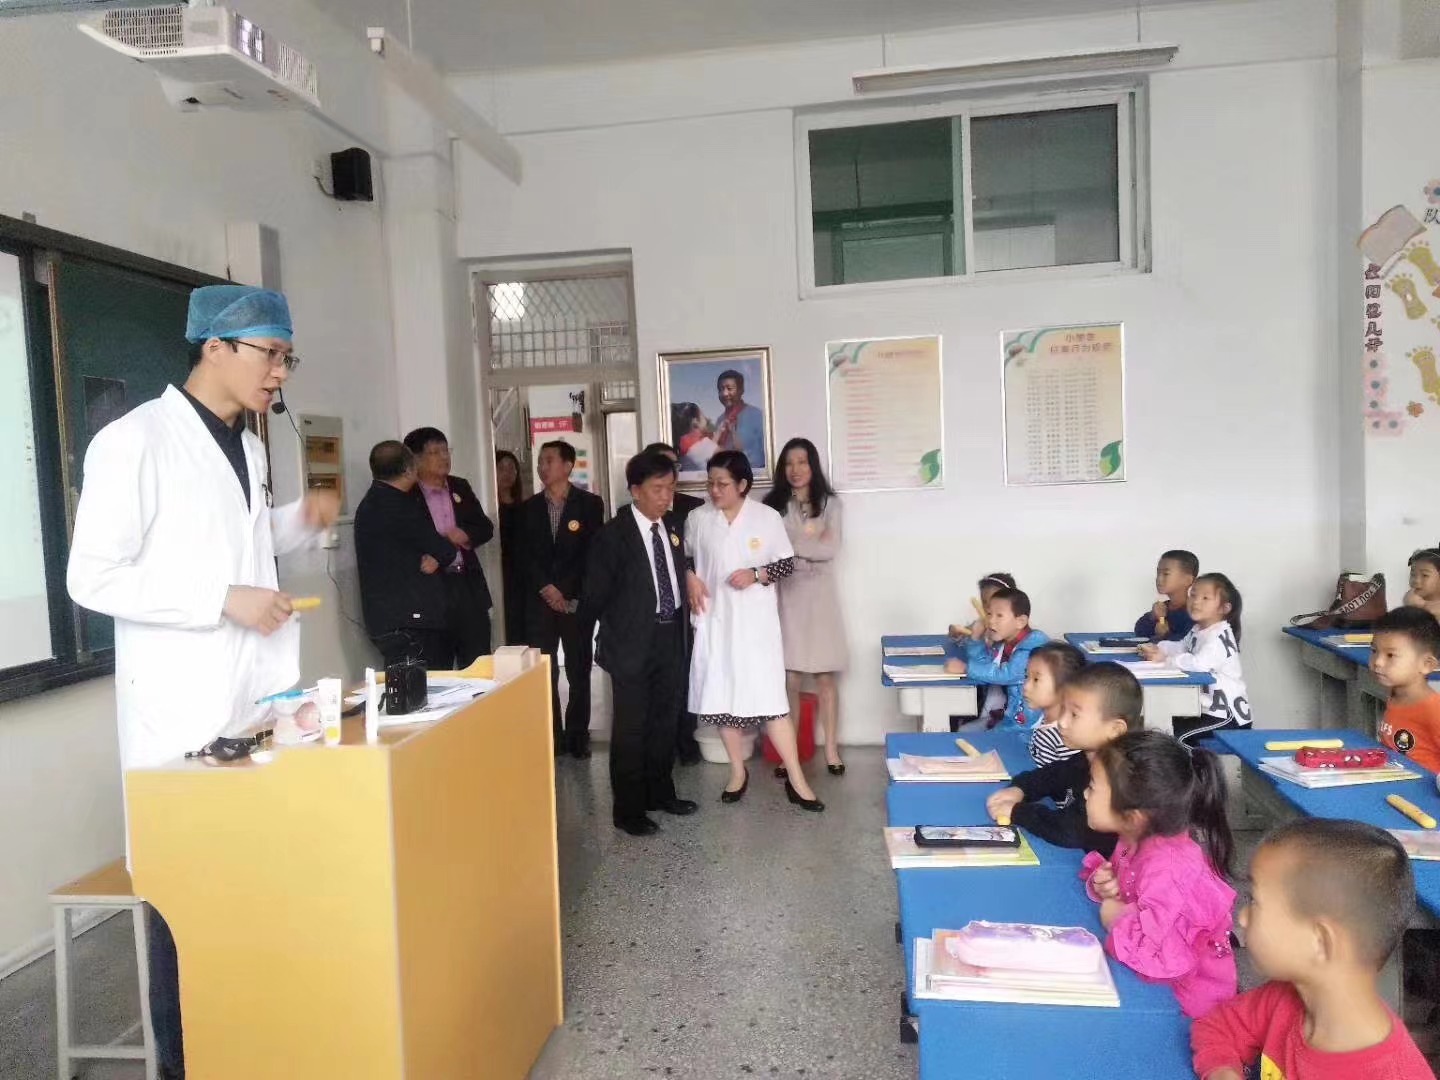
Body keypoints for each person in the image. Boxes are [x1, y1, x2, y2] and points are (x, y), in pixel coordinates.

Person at [67, 283, 339, 1080]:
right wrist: (220, 599)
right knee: (184, 918)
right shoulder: (134, 442)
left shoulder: (246, 448)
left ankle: (247, 1055)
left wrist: (296, 521)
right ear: (214, 347)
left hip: (252, 708)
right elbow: (92, 577)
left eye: (287, 358)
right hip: (180, 720)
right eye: (271, 354)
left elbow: (231, 539)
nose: (280, 373)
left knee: (248, 907)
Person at [1191, 820, 1431, 1079]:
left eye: (1255, 901)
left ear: (1320, 941)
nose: (1242, 917)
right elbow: (1217, 1027)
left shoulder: (1395, 1074)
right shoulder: (1281, 999)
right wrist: (1222, 1072)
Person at [685, 450, 822, 811]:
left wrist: (756, 574)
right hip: (716, 621)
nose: (714, 490)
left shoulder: (765, 517)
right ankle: (737, 772)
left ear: (743, 485)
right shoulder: (698, 518)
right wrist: (690, 577)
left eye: (722, 484)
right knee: (722, 700)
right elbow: (687, 557)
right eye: (710, 483)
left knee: (772, 703)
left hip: (755, 626)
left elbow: (786, 563)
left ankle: (797, 779)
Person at [1081, 729, 1237, 1020]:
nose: (1085, 794)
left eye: (1092, 787)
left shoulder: (1169, 869)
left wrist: (1117, 917)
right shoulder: (1136, 838)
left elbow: (1162, 954)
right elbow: (1129, 887)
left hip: (1187, 1006)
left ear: (1134, 816)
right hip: (1152, 980)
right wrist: (1106, 883)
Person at [582, 450, 698, 835]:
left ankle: (660, 793)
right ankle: (628, 810)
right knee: (631, 728)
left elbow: (678, 571)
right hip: (630, 644)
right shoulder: (612, 536)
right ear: (635, 490)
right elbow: (595, 597)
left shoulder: (673, 526)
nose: (666, 497)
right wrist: (606, 641)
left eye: (670, 488)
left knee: (665, 720)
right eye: (658, 489)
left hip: (670, 637)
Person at [985, 662, 1141, 855]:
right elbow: (1052, 776)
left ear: (1115, 730)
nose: (1062, 722)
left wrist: (1017, 812)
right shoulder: (1087, 757)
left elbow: (1072, 830)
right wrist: (1020, 789)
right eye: (1063, 710)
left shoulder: (1118, 780)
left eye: (1074, 714)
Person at [764, 437, 849, 775]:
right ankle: (791, 754)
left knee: (826, 677)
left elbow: (830, 549)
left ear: (812, 465)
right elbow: (772, 552)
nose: (795, 469)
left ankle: (832, 751)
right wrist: (809, 543)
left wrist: (794, 546)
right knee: (791, 679)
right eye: (789, 463)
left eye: (802, 462)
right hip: (789, 596)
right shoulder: (772, 506)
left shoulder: (831, 504)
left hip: (822, 599)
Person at [519, 439, 605, 758]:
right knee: (545, 672)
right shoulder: (529, 508)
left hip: (575, 601)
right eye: (540, 461)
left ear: (568, 466)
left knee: (579, 670)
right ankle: (552, 738)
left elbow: (592, 554)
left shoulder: (590, 504)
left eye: (549, 460)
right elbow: (524, 556)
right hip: (540, 602)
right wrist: (547, 587)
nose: (542, 467)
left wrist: (565, 591)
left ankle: (578, 738)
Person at [354, 441, 460, 670]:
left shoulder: (370, 502)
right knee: (423, 686)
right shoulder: (399, 505)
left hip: (385, 620)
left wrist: (436, 555)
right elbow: (445, 550)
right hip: (413, 621)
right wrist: (440, 553)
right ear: (408, 469)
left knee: (405, 683)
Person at [402, 426, 495, 667]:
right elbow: (405, 540)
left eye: (446, 450)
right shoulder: (407, 495)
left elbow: (485, 527)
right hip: (431, 589)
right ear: (415, 460)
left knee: (478, 663)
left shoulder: (459, 486)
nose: (444, 457)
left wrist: (464, 534)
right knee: (436, 666)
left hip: (467, 587)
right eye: (435, 452)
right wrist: (443, 547)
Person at [639, 441, 705, 765]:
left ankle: (686, 742)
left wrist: (690, 574)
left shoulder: (694, 508)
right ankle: (657, 749)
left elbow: (697, 554)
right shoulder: (632, 514)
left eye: (674, 468)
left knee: (685, 676)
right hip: (647, 619)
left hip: (685, 609)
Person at [1139, 571, 1251, 743]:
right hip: (1205, 711)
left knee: (1175, 740)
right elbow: (1180, 647)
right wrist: (1158, 648)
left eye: (1205, 598)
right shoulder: (1198, 630)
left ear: (1224, 608)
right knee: (1159, 728)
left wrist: (1166, 660)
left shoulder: (1219, 636)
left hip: (1226, 715)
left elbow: (1199, 664)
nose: (1196, 601)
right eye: (1193, 595)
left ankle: (1197, 762)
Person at [945, 587, 1050, 729]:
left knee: (969, 733)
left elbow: (1007, 675)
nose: (990, 621)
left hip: (1030, 726)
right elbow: (986, 665)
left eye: (999, 615)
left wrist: (966, 668)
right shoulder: (1004, 643)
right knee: (965, 730)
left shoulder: (1033, 647)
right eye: (989, 614)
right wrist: (976, 639)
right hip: (1010, 718)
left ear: (1020, 621)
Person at [1370, 605, 1440, 773]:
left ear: (1426, 664)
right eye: (1374, 651)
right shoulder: (1395, 695)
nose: (1378, 662)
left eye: (1390, 655)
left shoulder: (1434, 710)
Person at [1021, 641, 1088, 767]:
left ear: (1065, 688)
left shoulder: (1066, 736)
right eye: (1026, 676)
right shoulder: (1046, 718)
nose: (1025, 686)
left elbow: (1072, 776)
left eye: (1036, 680)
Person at [496, 449, 526, 646]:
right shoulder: (487, 507)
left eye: (512, 469)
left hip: (521, 577)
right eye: (501, 468)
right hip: (498, 573)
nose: (507, 473)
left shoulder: (525, 508)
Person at [1136, 549, 1199, 641]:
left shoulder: (1195, 612)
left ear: (1188, 580)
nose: (1159, 578)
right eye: (1158, 573)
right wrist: (1152, 616)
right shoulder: (1163, 608)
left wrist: (1165, 635)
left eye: (1166, 574)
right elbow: (1139, 631)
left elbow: (1188, 642)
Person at [711, 369, 766, 470]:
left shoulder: (757, 415)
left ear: (741, 390)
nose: (725, 393)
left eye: (729, 388)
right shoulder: (720, 420)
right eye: (721, 389)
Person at [675, 402, 719, 474]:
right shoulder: (705, 447)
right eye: (703, 416)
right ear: (695, 421)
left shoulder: (680, 444)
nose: (707, 418)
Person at [1405, 543, 1440, 619]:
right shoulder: (1411, 599)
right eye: (1413, 574)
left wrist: (1422, 605)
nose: (1416, 580)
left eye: (1424, 575)